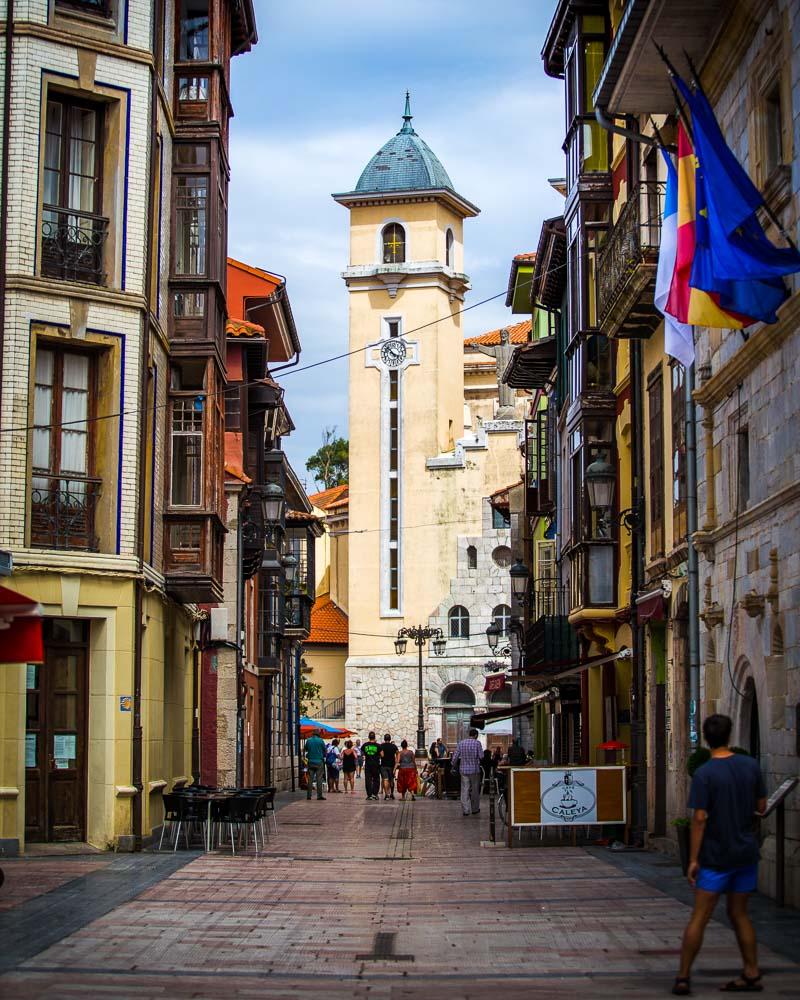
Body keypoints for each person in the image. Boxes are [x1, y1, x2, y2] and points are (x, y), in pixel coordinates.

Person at [672, 714, 767, 997]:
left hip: (715, 854)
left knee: (700, 915)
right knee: (740, 914)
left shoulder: (705, 773)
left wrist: (693, 858)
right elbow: (761, 806)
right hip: (745, 852)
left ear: (705, 737)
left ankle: (683, 976)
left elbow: (700, 818)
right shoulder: (750, 766)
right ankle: (751, 971)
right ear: (730, 734)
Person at [451, 728, 484, 817]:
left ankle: (466, 810)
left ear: (469, 734)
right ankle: (475, 809)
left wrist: (453, 765)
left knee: (465, 790)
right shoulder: (477, 743)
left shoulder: (461, 743)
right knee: (475, 790)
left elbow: (455, 757)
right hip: (474, 770)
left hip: (464, 770)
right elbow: (481, 756)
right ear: (476, 735)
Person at [304, 729, 326, 801]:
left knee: (310, 779)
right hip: (319, 761)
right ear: (318, 734)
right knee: (319, 779)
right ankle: (319, 796)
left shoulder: (308, 740)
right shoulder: (321, 740)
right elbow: (325, 750)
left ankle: (308, 796)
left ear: (312, 734)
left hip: (310, 761)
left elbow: (306, 749)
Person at [362, 731, 382, 800]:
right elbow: (382, 755)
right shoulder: (378, 745)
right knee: (376, 779)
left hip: (368, 765)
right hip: (376, 765)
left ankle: (369, 795)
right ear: (374, 737)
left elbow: (363, 753)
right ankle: (375, 794)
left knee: (368, 780)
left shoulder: (365, 745)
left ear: (368, 737)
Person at [379, 733, 399, 800]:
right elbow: (398, 753)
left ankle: (386, 794)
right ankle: (392, 794)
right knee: (391, 780)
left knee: (385, 779)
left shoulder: (381, 746)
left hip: (383, 765)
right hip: (391, 765)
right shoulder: (394, 746)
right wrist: (397, 762)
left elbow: (380, 754)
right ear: (390, 739)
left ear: (384, 739)